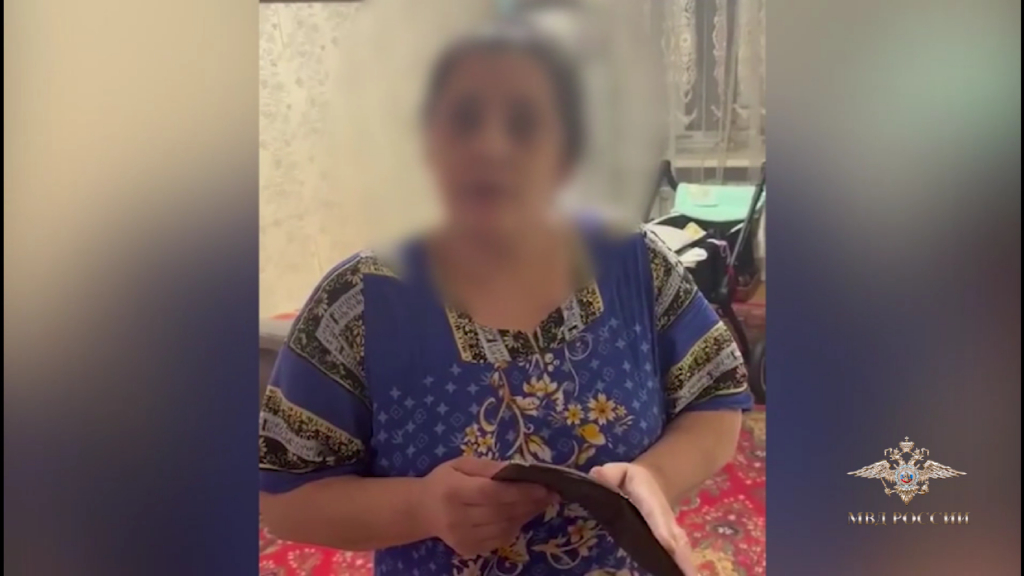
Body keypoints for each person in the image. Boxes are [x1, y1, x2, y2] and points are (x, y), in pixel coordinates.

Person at [259, 19, 752, 576]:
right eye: (464, 117)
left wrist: (656, 477)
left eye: (525, 120)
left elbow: (715, 399)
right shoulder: (357, 305)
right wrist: (421, 508)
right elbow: (284, 501)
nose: (492, 147)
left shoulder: (635, 263)